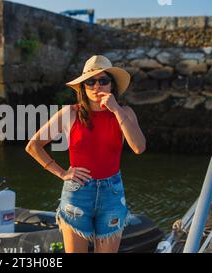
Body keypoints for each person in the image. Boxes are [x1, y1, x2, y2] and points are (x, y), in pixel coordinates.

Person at [25, 55, 146, 253]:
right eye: (90, 81)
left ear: (112, 86)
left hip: (112, 193)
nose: (96, 86)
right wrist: (62, 173)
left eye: (103, 81)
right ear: (83, 87)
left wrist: (115, 110)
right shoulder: (70, 114)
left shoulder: (125, 113)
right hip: (77, 193)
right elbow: (33, 145)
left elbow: (139, 147)